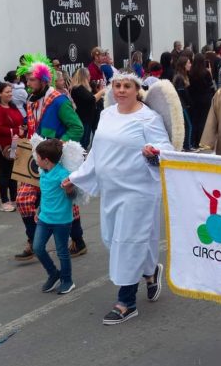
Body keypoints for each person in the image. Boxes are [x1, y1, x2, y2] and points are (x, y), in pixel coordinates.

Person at [62, 72, 173, 325]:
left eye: (127, 86)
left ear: (137, 90)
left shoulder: (148, 118)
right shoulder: (107, 114)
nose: (121, 90)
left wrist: (153, 152)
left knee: (127, 242)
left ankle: (126, 302)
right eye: (117, 85)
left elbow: (167, 149)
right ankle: (150, 270)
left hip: (139, 192)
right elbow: (96, 152)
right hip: (113, 191)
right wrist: (76, 177)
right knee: (113, 239)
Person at [13, 53, 85, 261]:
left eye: (32, 79)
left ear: (44, 80)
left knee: (66, 201)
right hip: (35, 160)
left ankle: (78, 241)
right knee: (24, 200)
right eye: (27, 79)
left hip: (55, 160)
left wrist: (57, 145)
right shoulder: (31, 99)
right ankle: (33, 241)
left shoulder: (58, 101)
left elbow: (77, 128)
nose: (28, 83)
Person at [32, 139, 76, 295]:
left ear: (46, 160)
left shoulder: (64, 175)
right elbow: (46, 194)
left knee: (62, 251)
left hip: (62, 221)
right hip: (45, 218)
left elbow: (73, 197)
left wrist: (69, 189)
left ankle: (67, 280)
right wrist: (39, 209)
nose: (35, 159)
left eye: (37, 157)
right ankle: (53, 274)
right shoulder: (43, 172)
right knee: (37, 247)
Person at [0, 83, 25, 212]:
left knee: (13, 172)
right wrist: (16, 130)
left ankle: (14, 198)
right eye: (6, 92)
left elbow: (21, 120)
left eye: (10, 91)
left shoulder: (12, 106)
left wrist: (22, 128)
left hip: (15, 143)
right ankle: (4, 201)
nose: (10, 94)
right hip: (4, 145)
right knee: (5, 172)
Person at [70, 67, 105, 150]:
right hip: (84, 119)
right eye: (88, 75)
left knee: (86, 142)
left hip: (88, 119)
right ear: (84, 76)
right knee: (83, 143)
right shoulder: (78, 88)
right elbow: (92, 99)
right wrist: (102, 91)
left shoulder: (83, 88)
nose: (90, 77)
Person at [188, 54, 215, 148]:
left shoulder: (190, 73)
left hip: (194, 99)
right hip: (205, 98)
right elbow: (210, 86)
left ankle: (195, 141)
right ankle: (202, 140)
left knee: (195, 120)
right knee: (204, 120)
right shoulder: (206, 72)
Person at [173, 56, 194, 151]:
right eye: (188, 63)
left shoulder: (183, 76)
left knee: (186, 125)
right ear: (183, 65)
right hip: (182, 104)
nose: (190, 65)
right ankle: (187, 146)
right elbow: (181, 92)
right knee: (188, 125)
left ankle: (186, 146)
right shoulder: (180, 78)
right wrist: (189, 102)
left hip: (183, 104)